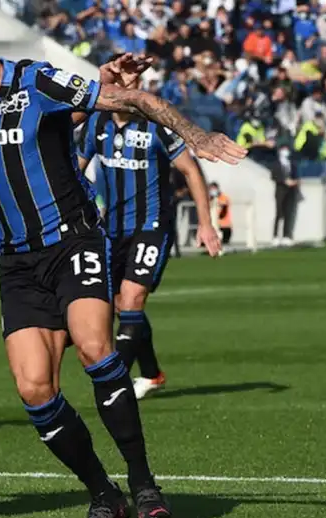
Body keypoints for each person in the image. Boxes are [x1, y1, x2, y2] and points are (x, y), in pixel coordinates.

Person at [0, 11, 245, 518]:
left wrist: (196, 135)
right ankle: (104, 495)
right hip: (17, 264)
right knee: (34, 390)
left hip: (73, 242)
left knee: (96, 348)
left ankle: (144, 484)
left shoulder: (37, 81)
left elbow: (135, 100)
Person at [77, 69, 222, 401]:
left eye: (137, 84)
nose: (134, 90)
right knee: (120, 306)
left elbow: (191, 170)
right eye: (127, 84)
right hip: (111, 229)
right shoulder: (96, 125)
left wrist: (205, 223)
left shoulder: (157, 125)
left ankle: (114, 385)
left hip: (151, 226)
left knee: (132, 298)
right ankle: (152, 374)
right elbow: (76, 168)